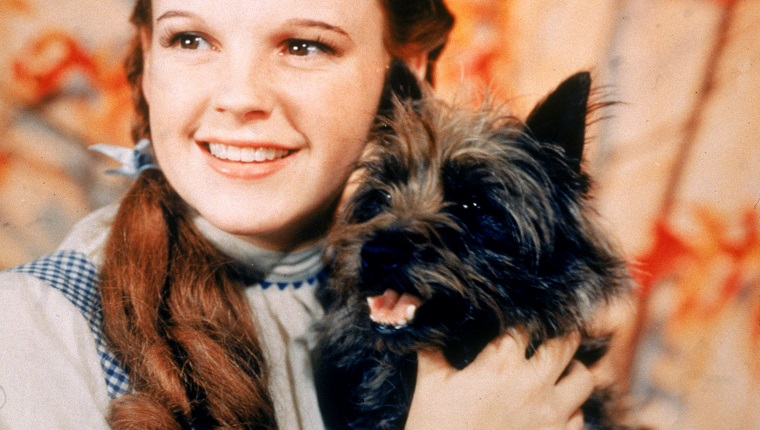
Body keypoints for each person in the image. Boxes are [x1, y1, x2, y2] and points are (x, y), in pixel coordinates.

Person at [0, 0, 615, 428]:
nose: (239, 97)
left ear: (408, 70)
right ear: (148, 56)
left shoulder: (424, 310)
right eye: (190, 38)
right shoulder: (37, 331)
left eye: (304, 45)